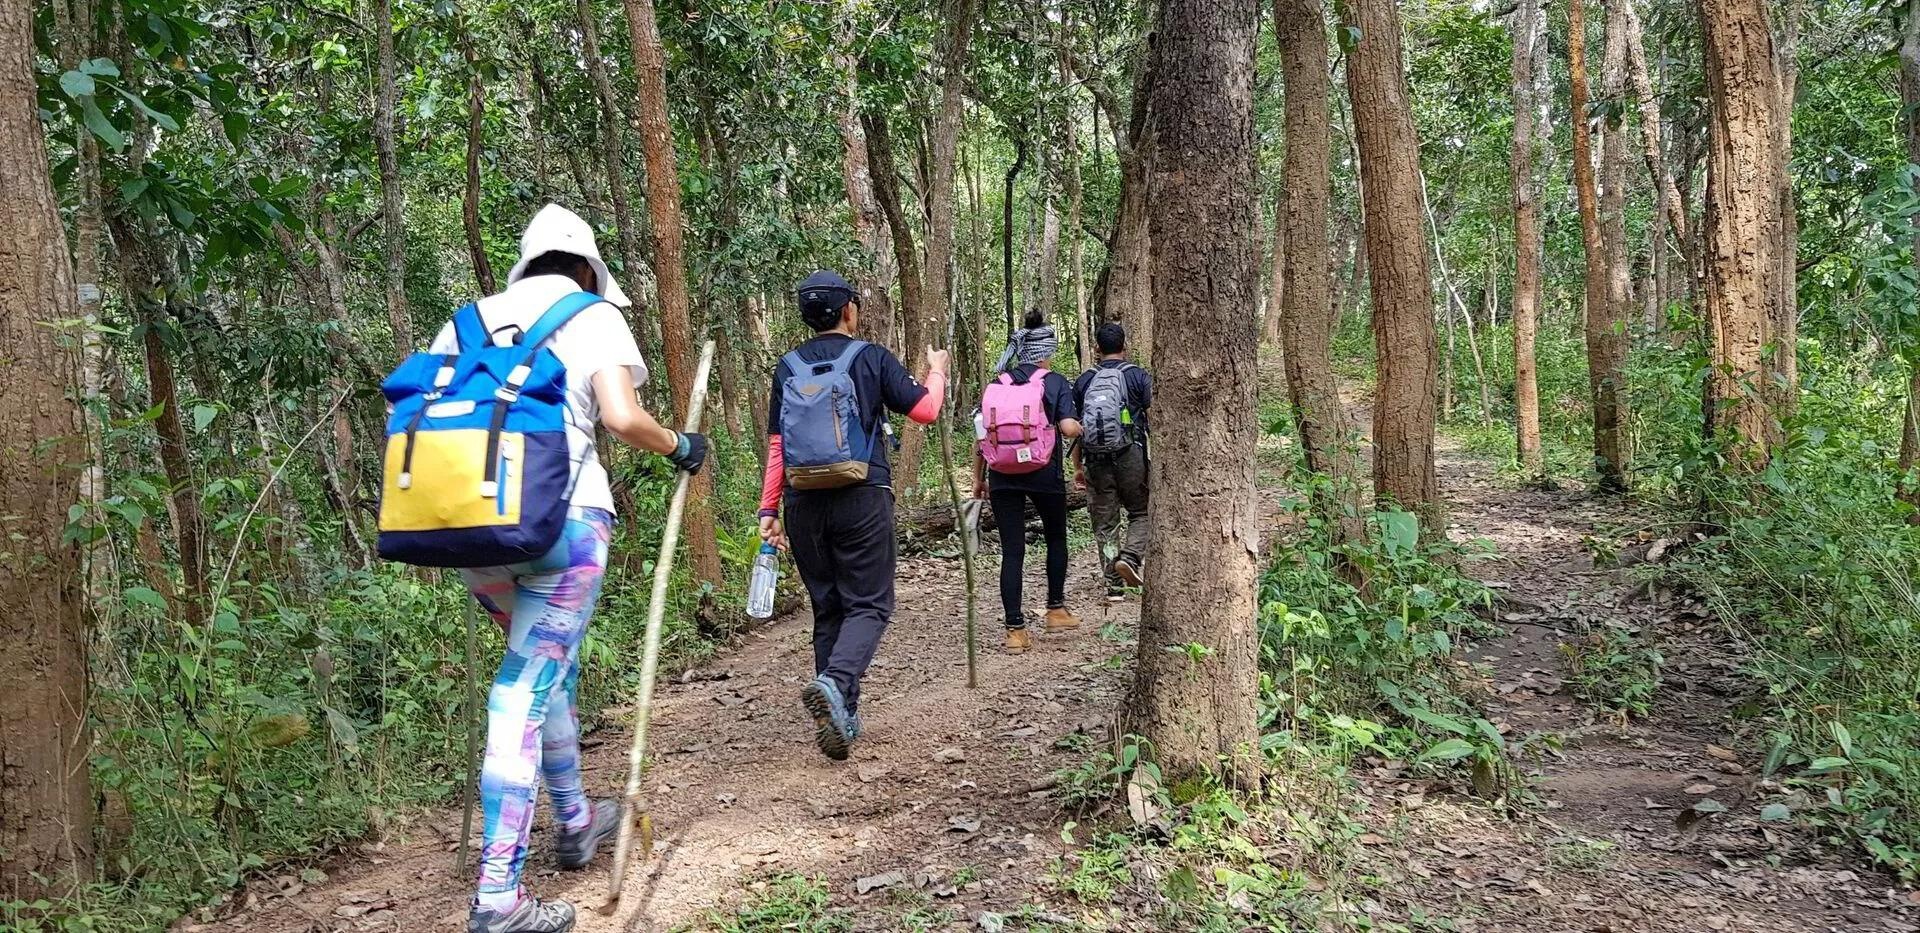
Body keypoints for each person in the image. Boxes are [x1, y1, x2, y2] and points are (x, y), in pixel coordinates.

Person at [442, 205, 708, 933]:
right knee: (523, 691)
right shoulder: (591, 313)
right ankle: (499, 897)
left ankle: (576, 821)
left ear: (524, 264)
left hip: (470, 527)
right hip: (564, 522)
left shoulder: (466, 320)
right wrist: (679, 443)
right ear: (588, 268)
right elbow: (622, 417)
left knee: (540, 669)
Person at [758, 270, 948, 761]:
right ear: (849, 311)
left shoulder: (786, 367)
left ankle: (842, 715)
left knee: (829, 607)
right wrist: (938, 369)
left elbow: (778, 445)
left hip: (802, 503)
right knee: (870, 604)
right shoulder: (870, 358)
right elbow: (925, 410)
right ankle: (837, 684)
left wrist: (768, 509)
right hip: (862, 494)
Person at [973, 310, 1083, 653]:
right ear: (1047, 351)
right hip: (1043, 473)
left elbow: (980, 435)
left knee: (1013, 551)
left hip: (1002, 474)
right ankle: (1055, 609)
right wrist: (1078, 427)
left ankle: (1015, 631)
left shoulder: (998, 382)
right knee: (1055, 538)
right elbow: (1067, 428)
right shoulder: (1054, 382)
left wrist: (979, 479)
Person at [1073, 322, 1153, 597]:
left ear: (1097, 348)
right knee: (1141, 511)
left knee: (1105, 521)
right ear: (1125, 346)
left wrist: (1078, 466)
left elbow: (1077, 426)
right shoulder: (1137, 377)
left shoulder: (1085, 380)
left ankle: (1113, 586)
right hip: (1131, 454)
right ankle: (1130, 558)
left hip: (1095, 458)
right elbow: (1153, 417)